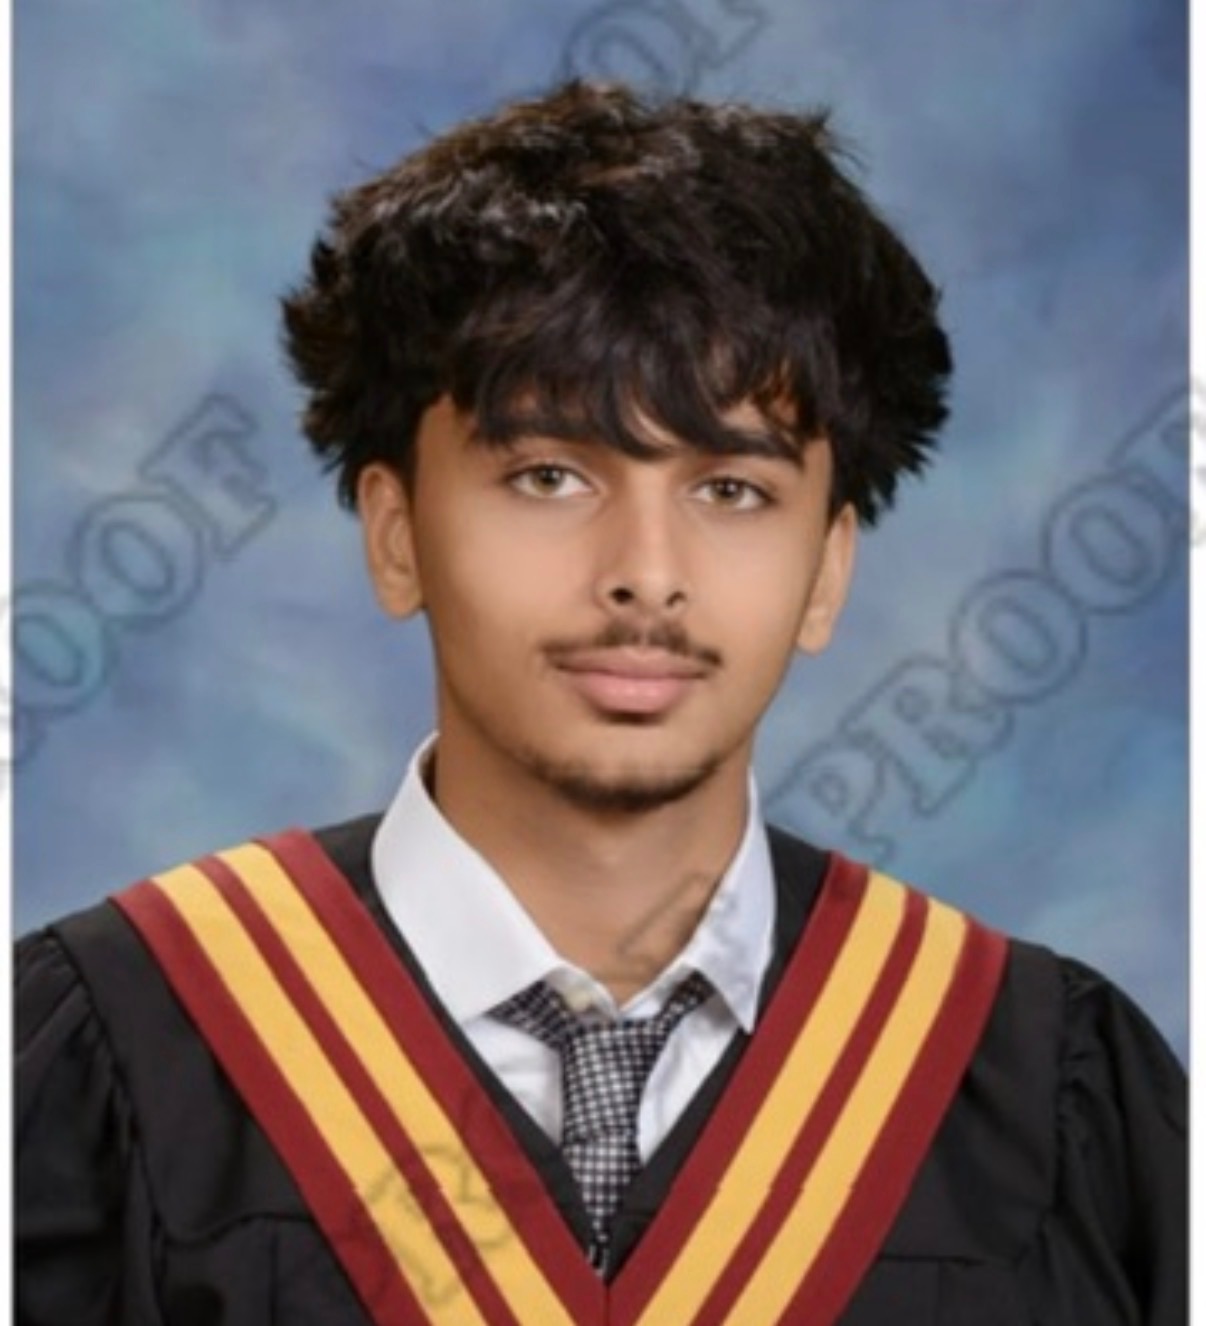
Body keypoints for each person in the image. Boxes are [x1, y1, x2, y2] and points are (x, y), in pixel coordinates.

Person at [16, 80, 1185, 1326]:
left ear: (828, 570)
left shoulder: (1039, 1089)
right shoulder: (116, 1052)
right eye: (550, 475)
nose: (646, 574)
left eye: (732, 490)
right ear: (396, 534)